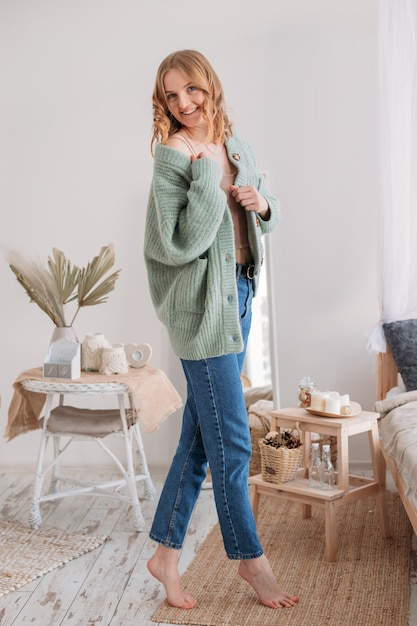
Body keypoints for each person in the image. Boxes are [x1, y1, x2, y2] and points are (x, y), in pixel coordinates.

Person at [144, 49, 299, 611]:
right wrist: (204, 170)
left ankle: (164, 553)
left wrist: (262, 206)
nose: (184, 103)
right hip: (202, 308)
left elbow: (265, 206)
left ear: (209, 85)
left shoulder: (237, 144)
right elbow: (172, 242)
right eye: (171, 95)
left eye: (191, 89)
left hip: (240, 293)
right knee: (233, 441)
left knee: (199, 438)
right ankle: (251, 562)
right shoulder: (174, 155)